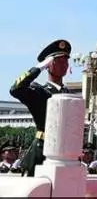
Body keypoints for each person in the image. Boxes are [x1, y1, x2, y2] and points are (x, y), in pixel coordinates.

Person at [9, 39, 71, 177]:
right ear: (48, 65)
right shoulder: (38, 91)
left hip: (65, 152)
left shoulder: (68, 94)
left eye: (66, 61)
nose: (63, 65)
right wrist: (39, 68)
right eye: (57, 61)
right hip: (42, 149)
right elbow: (15, 89)